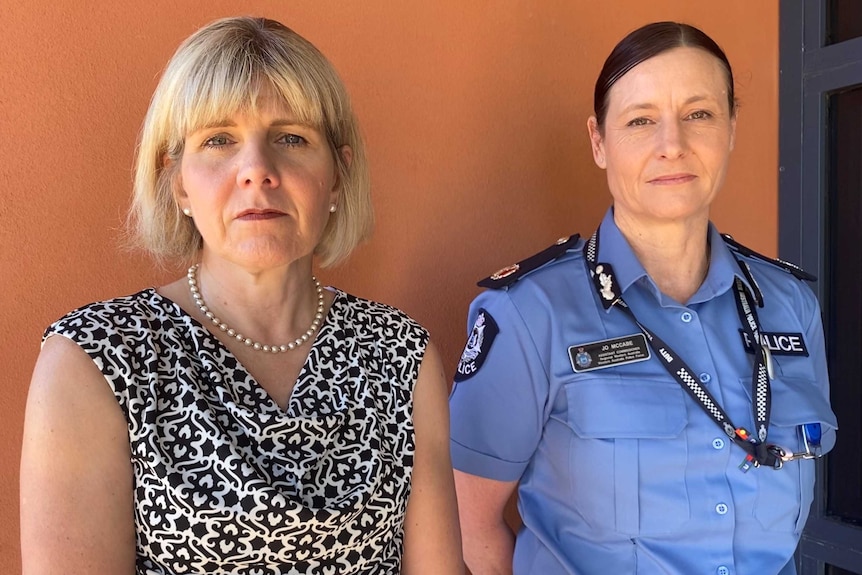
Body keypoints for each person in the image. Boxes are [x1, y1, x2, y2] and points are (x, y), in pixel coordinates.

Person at [20, 16, 463, 575]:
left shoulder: (401, 355)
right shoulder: (94, 361)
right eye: (219, 140)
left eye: (291, 138)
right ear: (178, 182)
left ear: (338, 176)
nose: (256, 170)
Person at [449, 21, 837, 575]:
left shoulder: (790, 303)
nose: (672, 145)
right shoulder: (530, 313)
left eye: (698, 114)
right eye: (641, 121)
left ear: (730, 129)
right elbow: (471, 524)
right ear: (598, 142)